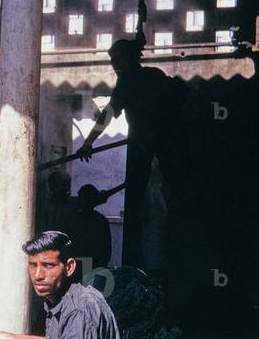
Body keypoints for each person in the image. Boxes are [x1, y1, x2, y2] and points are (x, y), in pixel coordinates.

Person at [76, 38, 192, 266]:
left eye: (118, 60)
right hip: (169, 154)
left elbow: (107, 114)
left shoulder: (130, 80)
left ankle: (148, 268)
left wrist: (88, 142)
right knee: (163, 210)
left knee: (148, 211)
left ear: (130, 59)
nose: (115, 65)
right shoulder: (155, 75)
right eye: (113, 60)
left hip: (153, 152)